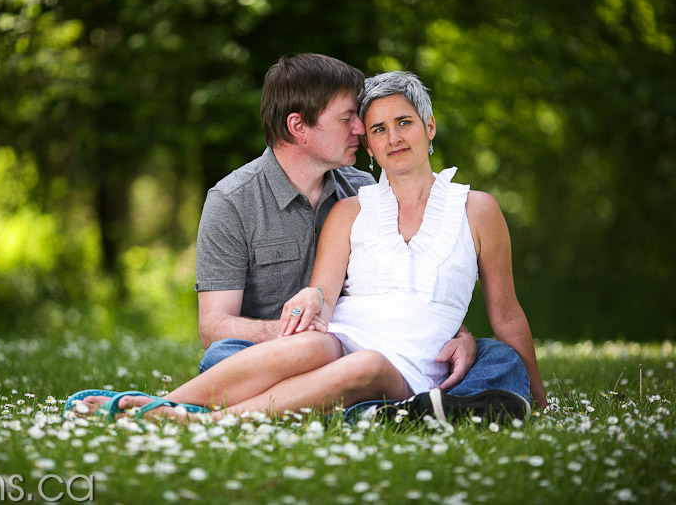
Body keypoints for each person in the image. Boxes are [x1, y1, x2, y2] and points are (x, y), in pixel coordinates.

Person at [67, 66, 546, 422]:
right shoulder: (318, 204)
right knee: (304, 348)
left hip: (403, 358)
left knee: (488, 359)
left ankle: (207, 420)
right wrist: (307, 308)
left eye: (403, 123)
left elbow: (495, 309)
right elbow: (305, 297)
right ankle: (161, 407)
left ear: (430, 127)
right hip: (307, 340)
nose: (378, 135)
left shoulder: (462, 205)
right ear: (301, 127)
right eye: (371, 127)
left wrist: (500, 365)